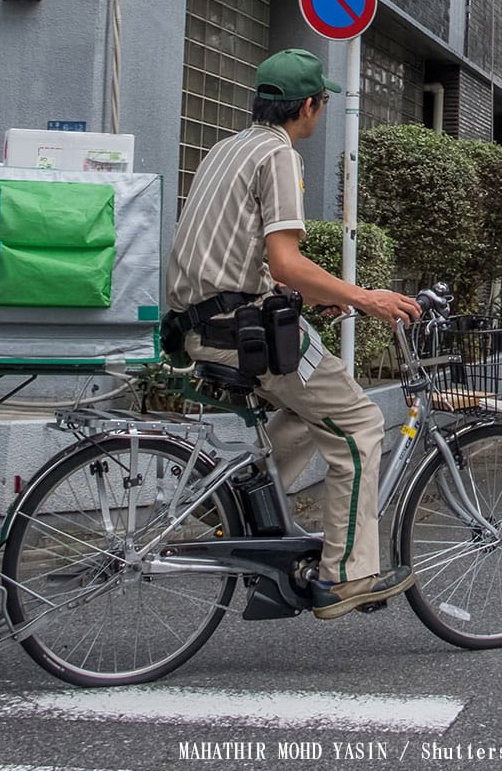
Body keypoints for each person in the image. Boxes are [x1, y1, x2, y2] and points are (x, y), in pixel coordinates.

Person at [165, 47, 421, 619]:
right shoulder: (279, 155)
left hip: (201, 323)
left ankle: (231, 500)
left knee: (319, 400)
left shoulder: (227, 147)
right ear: (307, 105)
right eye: (322, 102)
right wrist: (363, 297)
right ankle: (346, 578)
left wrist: (315, 302)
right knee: (358, 421)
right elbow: (284, 261)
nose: (322, 111)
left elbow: (242, 262)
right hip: (240, 329)